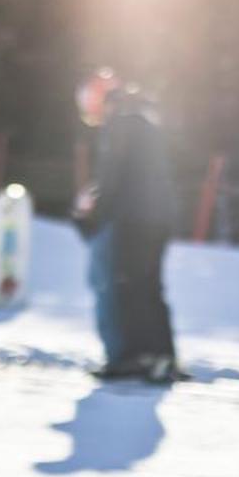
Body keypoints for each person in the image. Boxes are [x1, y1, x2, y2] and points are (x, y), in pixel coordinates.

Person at [72, 69, 182, 384]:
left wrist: (93, 215)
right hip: (160, 217)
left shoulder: (119, 124)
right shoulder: (146, 119)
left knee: (126, 287)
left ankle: (132, 358)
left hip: (132, 218)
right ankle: (163, 356)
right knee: (150, 287)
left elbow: (112, 175)